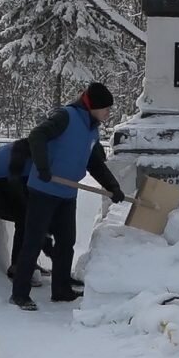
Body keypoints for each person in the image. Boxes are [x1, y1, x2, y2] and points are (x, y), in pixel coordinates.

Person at [10, 82, 126, 310]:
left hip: (67, 193)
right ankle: (20, 294)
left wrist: (113, 187)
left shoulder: (91, 130)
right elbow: (37, 136)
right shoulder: (66, 117)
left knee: (66, 242)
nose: (108, 113)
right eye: (106, 108)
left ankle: (61, 289)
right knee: (33, 241)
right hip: (43, 189)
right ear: (93, 106)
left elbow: (94, 163)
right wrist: (43, 167)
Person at [0, 138, 50, 286]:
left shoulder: (27, 150)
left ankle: (28, 262)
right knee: (27, 218)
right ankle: (18, 267)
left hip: (9, 193)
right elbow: (20, 197)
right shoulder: (18, 162)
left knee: (33, 215)